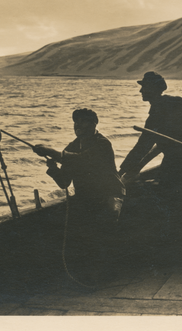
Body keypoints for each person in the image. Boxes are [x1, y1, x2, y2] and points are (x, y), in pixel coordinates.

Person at [33, 108, 124, 285]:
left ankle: (107, 274)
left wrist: (53, 152)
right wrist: (53, 168)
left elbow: (82, 159)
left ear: (94, 124)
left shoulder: (102, 144)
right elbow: (64, 183)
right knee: (84, 235)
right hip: (86, 198)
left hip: (109, 195)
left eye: (83, 121)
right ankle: (90, 275)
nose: (78, 125)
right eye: (76, 122)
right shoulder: (72, 147)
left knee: (103, 231)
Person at [119, 71, 182, 243]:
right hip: (172, 160)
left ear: (154, 88)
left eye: (144, 87)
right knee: (168, 198)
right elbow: (144, 145)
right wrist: (124, 169)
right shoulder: (154, 115)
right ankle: (175, 242)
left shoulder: (176, 103)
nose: (141, 91)